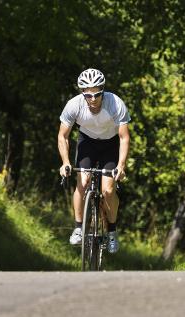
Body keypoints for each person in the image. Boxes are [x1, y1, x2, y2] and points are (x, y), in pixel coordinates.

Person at [57, 68, 130, 253]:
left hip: (110, 145)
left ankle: (111, 231)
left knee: (107, 190)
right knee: (82, 182)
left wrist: (121, 166)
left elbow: (124, 138)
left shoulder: (115, 103)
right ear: (82, 92)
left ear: (102, 90)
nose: (93, 99)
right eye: (87, 95)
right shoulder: (74, 105)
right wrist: (65, 162)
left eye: (97, 94)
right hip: (87, 143)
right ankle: (78, 228)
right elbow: (63, 136)